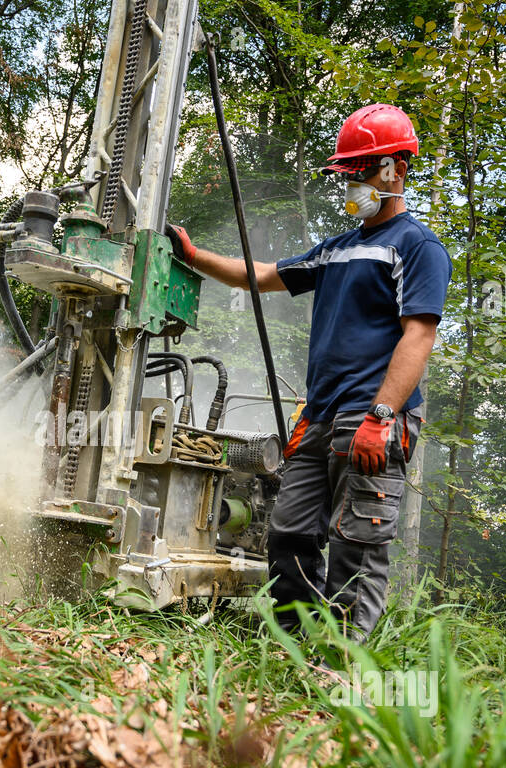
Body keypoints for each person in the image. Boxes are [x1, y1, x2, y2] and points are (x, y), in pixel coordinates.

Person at [166, 103, 452, 642]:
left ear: (396, 169)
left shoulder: (416, 247)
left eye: (361, 171)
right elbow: (265, 275)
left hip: (372, 415)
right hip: (319, 418)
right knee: (289, 529)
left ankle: (343, 664)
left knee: (357, 544)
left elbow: (419, 335)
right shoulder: (338, 250)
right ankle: (297, 646)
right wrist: (196, 255)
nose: (352, 183)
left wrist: (382, 414)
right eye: (347, 173)